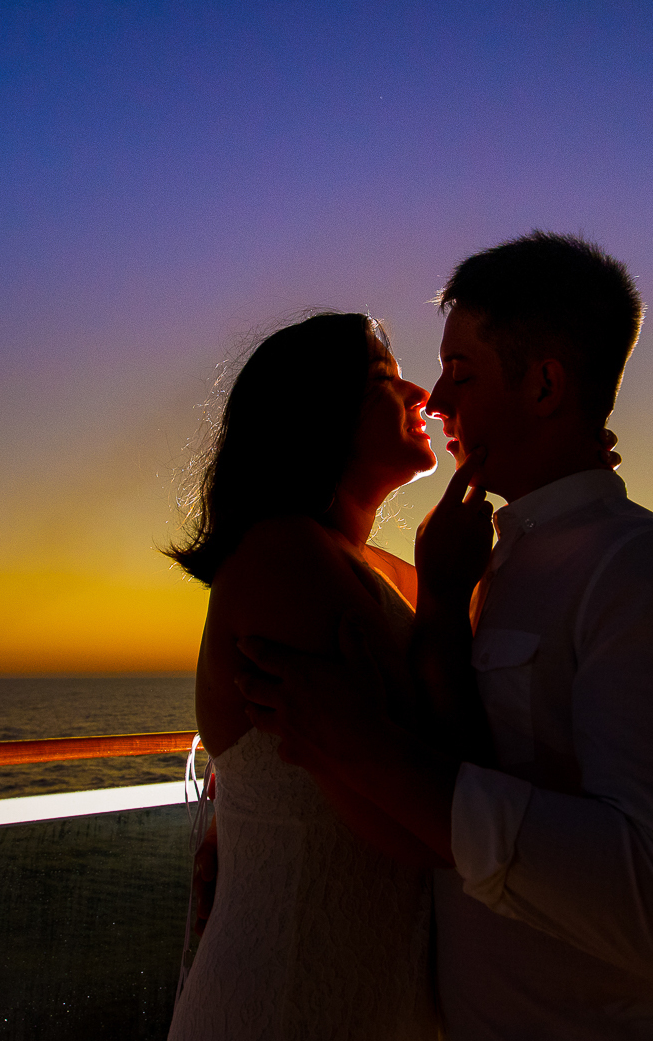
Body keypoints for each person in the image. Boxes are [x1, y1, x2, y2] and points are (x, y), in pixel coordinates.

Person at [238, 232, 653, 1039]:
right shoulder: (474, 567)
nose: (438, 403)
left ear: (544, 385)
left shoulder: (650, 577)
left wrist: (361, 749)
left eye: (461, 372)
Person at [165, 312, 450, 1041]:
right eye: (385, 380)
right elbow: (421, 823)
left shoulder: (377, 570)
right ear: (317, 415)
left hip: (359, 986)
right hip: (289, 992)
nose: (419, 391)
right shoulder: (283, 556)